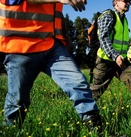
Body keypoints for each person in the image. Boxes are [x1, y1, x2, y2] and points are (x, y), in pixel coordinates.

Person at [0, 0, 102, 131]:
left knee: (78, 84)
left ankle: (98, 131)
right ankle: (10, 132)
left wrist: (65, 36)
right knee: (18, 100)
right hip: (20, 45)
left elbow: (54, 12)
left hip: (52, 45)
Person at [90, 0, 131, 101]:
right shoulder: (108, 15)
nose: (128, 3)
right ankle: (84, 113)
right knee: (94, 93)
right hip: (105, 61)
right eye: (125, 1)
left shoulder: (124, 20)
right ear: (116, 1)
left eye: (130, 2)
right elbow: (103, 37)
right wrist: (115, 56)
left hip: (122, 61)